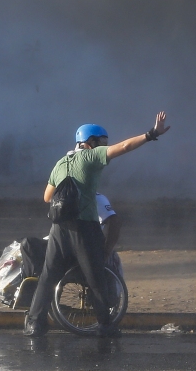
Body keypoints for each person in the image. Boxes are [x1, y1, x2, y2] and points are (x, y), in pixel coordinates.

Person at [24, 112, 170, 338]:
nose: (105, 146)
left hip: (59, 229)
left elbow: (47, 197)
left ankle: (34, 324)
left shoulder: (61, 163)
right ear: (90, 142)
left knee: (48, 275)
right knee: (95, 276)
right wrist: (151, 134)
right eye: (102, 142)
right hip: (85, 227)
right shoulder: (90, 158)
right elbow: (124, 147)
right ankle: (105, 325)